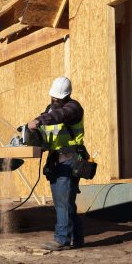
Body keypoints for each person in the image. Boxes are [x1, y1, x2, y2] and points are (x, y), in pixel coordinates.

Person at [26, 76, 85, 250]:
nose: (54, 100)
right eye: (53, 97)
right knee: (65, 202)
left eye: (58, 98)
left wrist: (39, 121)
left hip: (70, 160)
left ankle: (62, 239)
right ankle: (76, 238)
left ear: (67, 96)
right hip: (55, 161)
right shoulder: (49, 110)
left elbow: (60, 116)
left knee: (63, 202)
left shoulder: (73, 108)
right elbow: (48, 128)